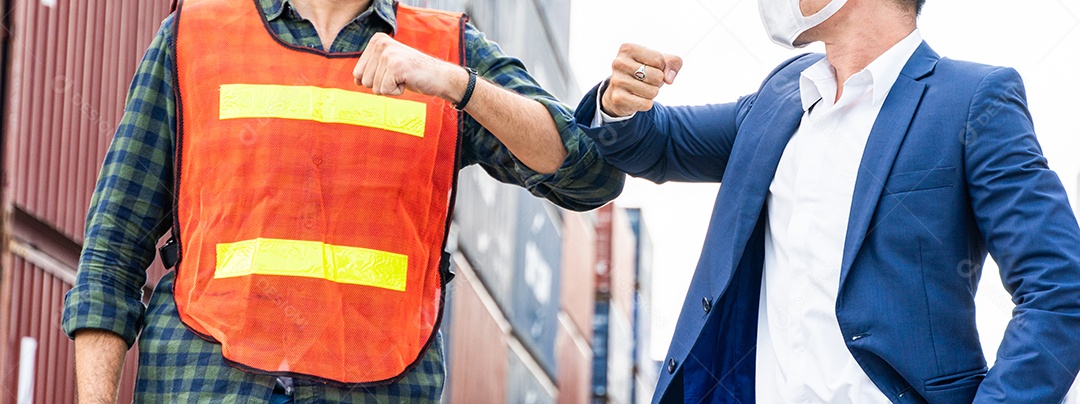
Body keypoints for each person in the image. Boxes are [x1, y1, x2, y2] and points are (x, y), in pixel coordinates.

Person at [61, 0, 623, 402]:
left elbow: (588, 176)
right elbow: (112, 253)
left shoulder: (445, 50)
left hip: (377, 387)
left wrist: (457, 84)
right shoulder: (195, 35)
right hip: (202, 384)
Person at [580, 0, 1080, 402]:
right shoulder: (782, 96)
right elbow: (658, 144)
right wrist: (619, 102)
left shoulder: (973, 98)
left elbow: (1060, 286)